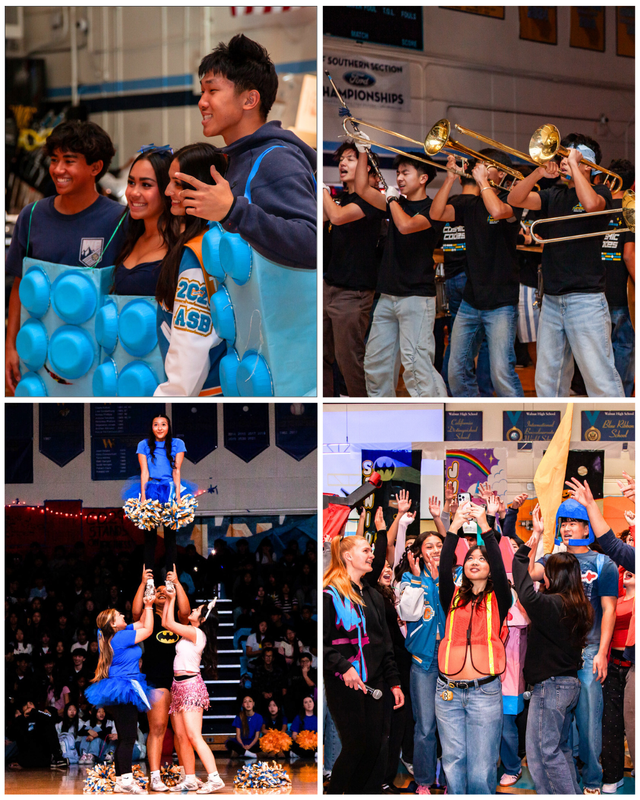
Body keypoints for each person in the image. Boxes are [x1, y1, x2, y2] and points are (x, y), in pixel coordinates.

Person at [5, 120, 127, 394]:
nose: (58, 170)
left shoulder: (119, 221)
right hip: (37, 358)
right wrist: (10, 346)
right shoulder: (32, 216)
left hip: (95, 361)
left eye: (69, 161)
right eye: (54, 159)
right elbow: (18, 287)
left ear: (95, 167)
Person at [175, 35, 315, 272]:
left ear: (250, 99)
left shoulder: (276, 159)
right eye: (202, 92)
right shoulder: (235, 159)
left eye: (212, 90)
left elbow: (311, 243)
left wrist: (233, 211)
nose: (202, 102)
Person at [507, 134, 624, 397]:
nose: (563, 162)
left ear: (588, 165)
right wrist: (538, 173)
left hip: (587, 299)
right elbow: (515, 199)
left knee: (600, 377)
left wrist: (575, 166)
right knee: (548, 381)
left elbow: (592, 204)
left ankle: (618, 435)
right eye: (563, 157)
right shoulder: (553, 194)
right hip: (551, 299)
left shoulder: (601, 192)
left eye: (571, 157)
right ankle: (554, 434)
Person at [529, 491, 619, 793]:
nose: (568, 528)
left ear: (587, 528)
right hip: (559, 656)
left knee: (590, 723)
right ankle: (568, 785)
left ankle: (593, 780)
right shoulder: (552, 560)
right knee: (560, 729)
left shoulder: (604, 563)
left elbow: (609, 609)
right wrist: (537, 535)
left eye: (575, 522)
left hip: (590, 651)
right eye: (564, 522)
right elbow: (529, 575)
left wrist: (603, 652)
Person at [354, 148, 447, 397]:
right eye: (397, 173)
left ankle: (434, 418)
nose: (399, 178)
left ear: (424, 178)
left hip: (416, 297)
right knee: (375, 366)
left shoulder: (433, 208)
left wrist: (392, 200)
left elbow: (405, 226)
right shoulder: (397, 203)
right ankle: (383, 418)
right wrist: (363, 153)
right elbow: (362, 189)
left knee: (417, 368)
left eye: (405, 172)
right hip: (387, 296)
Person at [430, 151, 524, 397]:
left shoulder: (512, 198)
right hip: (472, 300)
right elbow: (436, 214)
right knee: (456, 370)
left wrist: (482, 182)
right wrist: (449, 178)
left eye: (486, 166)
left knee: (501, 373)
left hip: (501, 301)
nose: (478, 169)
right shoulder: (468, 204)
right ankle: (472, 417)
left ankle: (520, 424)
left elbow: (497, 212)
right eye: (478, 166)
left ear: (501, 174)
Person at [435, 500, 511, 794]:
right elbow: (444, 566)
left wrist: (484, 525)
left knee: (482, 766)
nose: (474, 561)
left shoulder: (501, 598)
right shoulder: (451, 597)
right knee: (453, 761)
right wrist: (453, 527)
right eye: (469, 559)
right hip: (447, 691)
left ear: (491, 568)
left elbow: (498, 558)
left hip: (485, 692)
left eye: (482, 558)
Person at [512, 524, 594, 794]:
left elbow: (523, 586)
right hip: (567, 686)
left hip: (551, 687)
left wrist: (527, 546)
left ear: (555, 575)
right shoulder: (578, 604)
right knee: (560, 750)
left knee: (543, 755)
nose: (542, 575)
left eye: (546, 571)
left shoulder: (552, 605)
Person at [323, 534, 404, 794]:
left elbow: (385, 644)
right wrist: (343, 666)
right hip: (344, 683)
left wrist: (394, 682)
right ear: (348, 556)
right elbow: (320, 644)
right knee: (356, 745)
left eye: (371, 550)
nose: (372, 555)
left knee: (374, 746)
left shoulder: (374, 595)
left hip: (376, 681)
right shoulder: (330, 592)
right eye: (366, 550)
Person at [154, 144, 229, 396]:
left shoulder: (199, 252)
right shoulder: (212, 240)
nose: (167, 191)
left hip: (204, 393)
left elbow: (190, 351)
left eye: (177, 183)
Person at [323, 142, 386, 396]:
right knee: (322, 358)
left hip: (354, 294)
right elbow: (327, 219)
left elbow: (337, 217)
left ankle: (364, 409)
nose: (342, 164)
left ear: (367, 169)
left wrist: (323, 193)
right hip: (329, 287)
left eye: (351, 158)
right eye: (341, 159)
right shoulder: (341, 199)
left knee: (349, 360)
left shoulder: (373, 199)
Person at [84, 597, 155, 794]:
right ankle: (125, 781)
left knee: (125, 736)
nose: (123, 615)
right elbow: (148, 630)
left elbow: (141, 623)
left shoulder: (106, 635)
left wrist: (147, 600)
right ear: (113, 624)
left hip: (117, 690)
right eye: (119, 615)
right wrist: (148, 605)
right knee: (128, 738)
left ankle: (120, 780)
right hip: (124, 690)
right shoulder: (121, 637)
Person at [131, 567, 191, 793]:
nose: (162, 592)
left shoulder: (176, 619)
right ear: (152, 596)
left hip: (179, 679)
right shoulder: (148, 619)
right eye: (157, 590)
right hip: (155, 678)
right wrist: (142, 584)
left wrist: (176, 583)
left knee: (182, 732)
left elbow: (186, 612)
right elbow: (136, 612)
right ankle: (154, 777)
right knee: (157, 727)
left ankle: (186, 775)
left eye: (165, 589)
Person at [397, 525, 446, 794]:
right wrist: (417, 579)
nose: (436, 550)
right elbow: (409, 612)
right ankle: (425, 780)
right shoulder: (408, 577)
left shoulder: (456, 575)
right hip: (423, 660)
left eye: (440, 546)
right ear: (418, 553)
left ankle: (452, 781)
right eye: (429, 546)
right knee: (425, 726)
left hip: (453, 659)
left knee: (450, 726)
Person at [122, 414, 196, 592]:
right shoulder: (144, 445)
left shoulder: (177, 444)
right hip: (151, 489)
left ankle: (170, 579)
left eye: (163, 424)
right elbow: (144, 471)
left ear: (168, 427)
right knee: (150, 539)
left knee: (171, 538)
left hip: (170, 489)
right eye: (156, 424)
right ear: (152, 427)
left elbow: (177, 470)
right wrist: (143, 495)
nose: (160, 427)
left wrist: (178, 496)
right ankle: (148, 581)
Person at [161, 589, 225, 793]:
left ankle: (214, 778)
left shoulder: (197, 633)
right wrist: (169, 601)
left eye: (197, 609)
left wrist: (171, 599)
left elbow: (168, 624)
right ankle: (189, 778)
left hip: (190, 687)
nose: (193, 609)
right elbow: (166, 623)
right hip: (178, 687)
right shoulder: (190, 631)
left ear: (203, 618)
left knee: (194, 735)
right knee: (180, 736)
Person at [439, 171, 493, 397]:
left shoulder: (449, 203)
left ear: (460, 179)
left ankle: (449, 388)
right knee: (486, 339)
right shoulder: (480, 204)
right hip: (472, 277)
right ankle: (482, 390)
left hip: (450, 276)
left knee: (455, 338)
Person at [112, 146, 176, 296]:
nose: (134, 193)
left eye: (146, 185)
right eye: (131, 182)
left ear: (167, 189)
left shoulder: (181, 241)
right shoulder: (129, 233)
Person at [600, 159, 635, 397]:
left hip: (595, 289)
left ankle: (601, 397)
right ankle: (620, 400)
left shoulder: (595, 206)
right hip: (621, 290)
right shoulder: (630, 209)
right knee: (623, 345)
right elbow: (629, 255)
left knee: (600, 350)